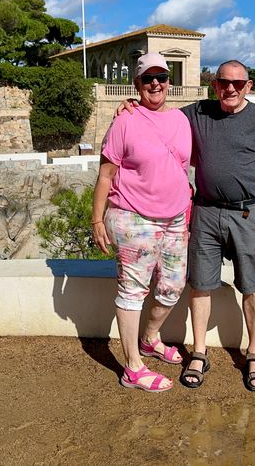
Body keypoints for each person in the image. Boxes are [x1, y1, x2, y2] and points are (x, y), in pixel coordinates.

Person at [122, 59, 255, 391]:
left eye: (238, 84)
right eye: (224, 82)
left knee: (251, 285)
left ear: (248, 87)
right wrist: (132, 105)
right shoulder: (197, 113)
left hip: (247, 215)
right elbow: (158, 113)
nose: (230, 89)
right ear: (215, 84)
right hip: (206, 211)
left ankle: (253, 353)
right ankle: (199, 351)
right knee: (201, 283)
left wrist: (249, 194)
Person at [92, 52, 193, 392]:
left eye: (161, 77)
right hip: (133, 217)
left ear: (169, 82)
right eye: (148, 78)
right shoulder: (125, 120)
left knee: (173, 286)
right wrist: (96, 220)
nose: (155, 83)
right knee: (133, 291)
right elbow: (106, 175)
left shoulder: (181, 119)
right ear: (137, 84)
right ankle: (133, 367)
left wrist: (187, 213)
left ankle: (150, 338)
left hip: (176, 218)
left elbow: (181, 168)